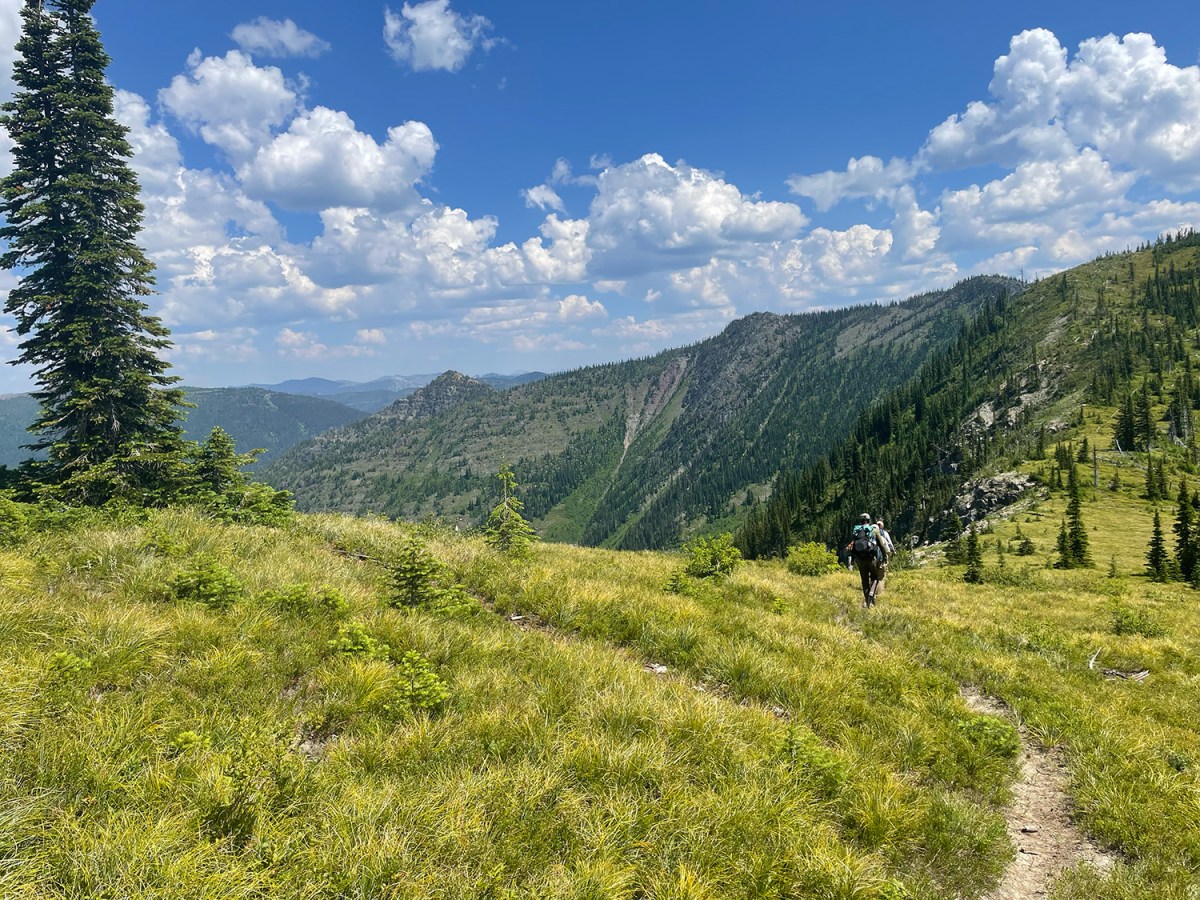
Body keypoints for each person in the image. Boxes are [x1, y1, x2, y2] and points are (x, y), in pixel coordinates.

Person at [850, 513, 884, 607]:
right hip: (870, 558)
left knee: (864, 580)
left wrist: (853, 560)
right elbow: (881, 545)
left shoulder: (856, 530)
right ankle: (872, 593)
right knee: (875, 577)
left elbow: (853, 546)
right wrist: (884, 557)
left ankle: (867, 601)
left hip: (860, 559)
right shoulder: (873, 530)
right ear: (869, 521)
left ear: (860, 521)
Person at [873, 518, 895, 598]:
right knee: (881, 576)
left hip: (872, 558)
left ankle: (871, 591)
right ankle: (879, 593)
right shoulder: (885, 533)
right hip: (881, 557)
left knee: (872, 575)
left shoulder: (870, 533)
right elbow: (889, 543)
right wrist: (893, 551)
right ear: (882, 526)